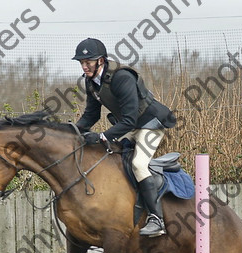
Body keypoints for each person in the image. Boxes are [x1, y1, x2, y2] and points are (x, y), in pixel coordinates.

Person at [73, 38, 176, 237]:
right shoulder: (91, 81)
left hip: (150, 124)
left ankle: (157, 219)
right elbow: (92, 115)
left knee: (138, 164)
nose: (84, 66)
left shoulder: (122, 77)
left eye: (88, 61)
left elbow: (129, 120)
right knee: (111, 159)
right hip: (131, 125)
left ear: (101, 61)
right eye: (81, 62)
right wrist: (74, 131)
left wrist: (102, 136)